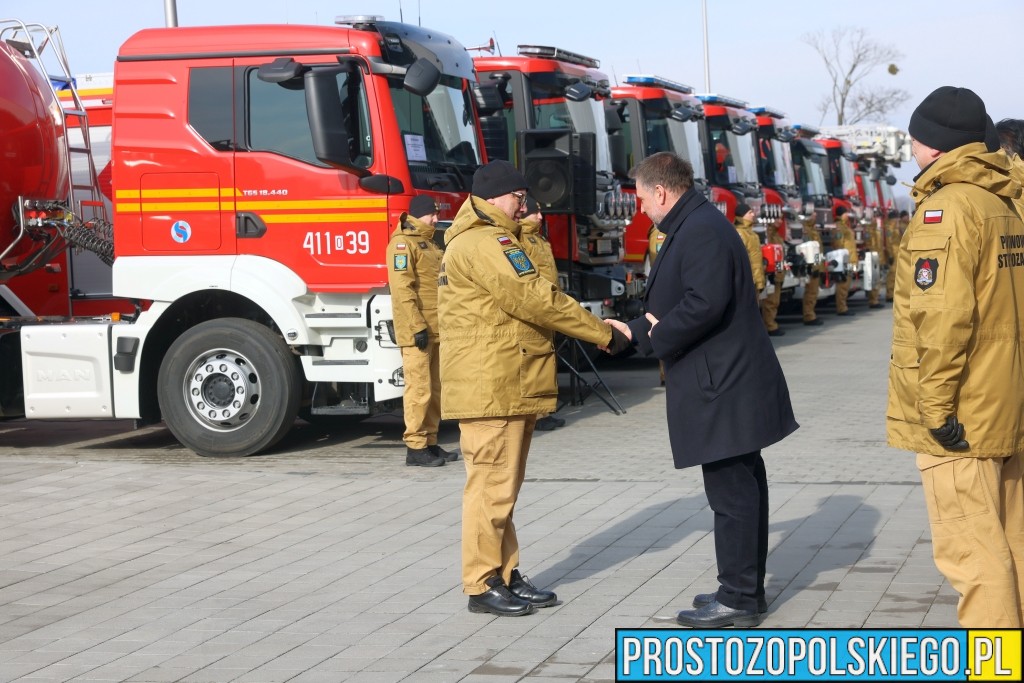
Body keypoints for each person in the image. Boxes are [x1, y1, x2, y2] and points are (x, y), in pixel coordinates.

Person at [606, 152, 798, 628]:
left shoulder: (701, 231)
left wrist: (654, 336)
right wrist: (636, 330)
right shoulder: (695, 224)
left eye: (642, 199)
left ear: (661, 192)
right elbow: (679, 301)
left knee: (732, 493)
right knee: (741, 486)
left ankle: (739, 597)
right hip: (725, 378)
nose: (641, 209)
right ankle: (743, 588)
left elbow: (703, 304)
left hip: (723, 383)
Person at [438, 160, 630, 617]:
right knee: (491, 488)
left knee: (500, 488)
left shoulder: (495, 238)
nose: (524, 206)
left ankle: (504, 573)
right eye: (519, 198)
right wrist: (602, 333)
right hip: (492, 385)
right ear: (495, 197)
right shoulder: (485, 242)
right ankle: (482, 582)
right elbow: (536, 298)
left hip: (502, 381)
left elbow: (536, 290)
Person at [887, 86, 1024, 627]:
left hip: (963, 414)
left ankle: (994, 663)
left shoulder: (947, 208)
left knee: (972, 553)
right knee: (1011, 541)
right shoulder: (1002, 201)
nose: (911, 147)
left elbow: (943, 321)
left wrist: (936, 409)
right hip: (1004, 400)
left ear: (935, 143)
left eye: (915, 137)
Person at [386, 195, 458, 467]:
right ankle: (415, 447)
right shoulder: (402, 244)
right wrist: (417, 326)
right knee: (419, 389)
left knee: (435, 389)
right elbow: (402, 289)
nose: (436, 219)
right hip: (418, 330)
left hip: (436, 327)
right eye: (432, 214)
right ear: (417, 215)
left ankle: (430, 441)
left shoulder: (428, 242)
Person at [518, 196, 565, 431]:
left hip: (550, 308)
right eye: (535, 213)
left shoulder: (539, 239)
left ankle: (545, 411)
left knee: (547, 361)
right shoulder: (520, 239)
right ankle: (536, 414)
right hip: (536, 309)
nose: (540, 217)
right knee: (534, 363)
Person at [759, 216, 786, 336]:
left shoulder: (776, 235)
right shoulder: (768, 234)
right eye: (777, 219)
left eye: (781, 219)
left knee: (775, 301)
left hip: (778, 270)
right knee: (770, 301)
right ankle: (770, 325)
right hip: (771, 271)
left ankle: (771, 323)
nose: (780, 221)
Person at [732, 202, 765, 297]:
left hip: (755, 281)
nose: (753, 215)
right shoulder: (739, 233)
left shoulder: (753, 234)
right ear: (742, 216)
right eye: (750, 212)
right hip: (747, 282)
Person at [832, 206, 858, 316]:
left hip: (850, 260)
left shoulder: (845, 226)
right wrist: (841, 259)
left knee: (846, 285)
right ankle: (841, 308)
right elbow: (838, 243)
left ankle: (843, 306)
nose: (847, 215)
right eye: (846, 213)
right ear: (842, 214)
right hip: (845, 260)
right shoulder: (839, 227)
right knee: (842, 285)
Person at [800, 216, 824, 326]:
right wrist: (814, 267)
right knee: (810, 292)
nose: (815, 215)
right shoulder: (806, 230)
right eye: (812, 213)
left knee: (813, 292)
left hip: (815, 264)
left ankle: (810, 314)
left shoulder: (813, 229)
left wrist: (819, 266)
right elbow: (808, 250)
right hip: (811, 266)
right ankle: (809, 316)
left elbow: (817, 251)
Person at [865, 217, 885, 309]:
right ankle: (873, 300)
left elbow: (880, 246)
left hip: (877, 258)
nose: (875, 220)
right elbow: (868, 245)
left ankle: (875, 299)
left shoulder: (877, 231)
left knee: (877, 280)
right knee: (874, 280)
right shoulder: (868, 232)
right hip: (872, 257)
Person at [883, 210, 901, 303]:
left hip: (897, 253)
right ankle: (889, 294)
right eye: (897, 218)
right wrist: (890, 255)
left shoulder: (895, 227)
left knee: (896, 274)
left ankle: (893, 293)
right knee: (892, 274)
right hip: (893, 254)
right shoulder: (889, 228)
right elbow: (888, 243)